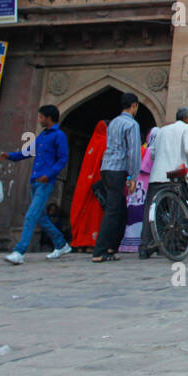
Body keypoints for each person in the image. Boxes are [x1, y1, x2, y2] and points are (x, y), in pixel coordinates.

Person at [0, 105, 71, 264]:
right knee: (40, 217)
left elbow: (63, 159)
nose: (39, 120)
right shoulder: (42, 136)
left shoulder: (59, 135)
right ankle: (61, 243)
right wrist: (10, 156)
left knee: (31, 215)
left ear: (48, 117)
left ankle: (19, 251)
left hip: (45, 182)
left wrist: (50, 174)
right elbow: (27, 152)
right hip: (35, 180)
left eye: (41, 117)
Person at [143, 108, 188, 258]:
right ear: (187, 118)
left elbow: (152, 153)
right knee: (176, 211)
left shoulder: (162, 131)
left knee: (151, 211)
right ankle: (173, 244)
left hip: (157, 175)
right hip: (174, 176)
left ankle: (145, 246)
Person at [92, 93, 141, 263]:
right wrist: (133, 176)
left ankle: (111, 247)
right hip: (118, 169)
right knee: (113, 211)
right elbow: (133, 152)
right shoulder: (131, 124)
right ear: (134, 106)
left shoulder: (113, 123)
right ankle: (99, 251)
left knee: (120, 210)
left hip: (107, 167)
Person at [69, 120, 109, 250]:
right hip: (99, 184)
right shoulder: (106, 143)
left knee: (85, 213)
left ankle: (81, 242)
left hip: (87, 185)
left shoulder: (93, 143)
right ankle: (92, 243)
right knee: (96, 215)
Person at [121, 128, 159, 254]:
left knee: (133, 213)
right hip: (145, 186)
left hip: (136, 186)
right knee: (143, 213)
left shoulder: (141, 150)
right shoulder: (151, 151)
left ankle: (129, 244)